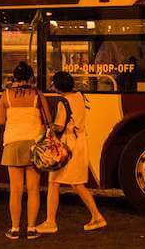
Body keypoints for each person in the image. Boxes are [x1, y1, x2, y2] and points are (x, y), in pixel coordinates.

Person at [37, 71, 106, 234]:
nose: (52, 86)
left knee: (54, 182)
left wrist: (47, 127)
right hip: (80, 141)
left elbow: (60, 126)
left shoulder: (63, 102)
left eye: (53, 83)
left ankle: (51, 222)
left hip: (67, 144)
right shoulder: (80, 96)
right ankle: (96, 216)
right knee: (77, 182)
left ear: (59, 86)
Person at [0, 61, 50, 240]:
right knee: (34, 189)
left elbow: (0, 121)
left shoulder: (6, 96)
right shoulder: (37, 94)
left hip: (12, 144)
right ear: (31, 78)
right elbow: (47, 119)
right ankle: (32, 228)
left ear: (14, 78)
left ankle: (14, 228)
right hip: (34, 146)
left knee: (16, 189)